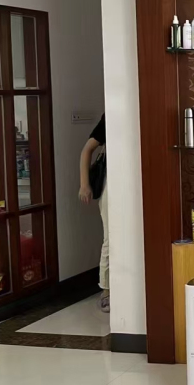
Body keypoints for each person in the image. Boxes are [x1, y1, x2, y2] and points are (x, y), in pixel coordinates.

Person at [79, 114, 108, 312]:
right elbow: (87, 150)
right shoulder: (109, 118)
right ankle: (107, 289)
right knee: (111, 237)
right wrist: (85, 185)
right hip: (110, 182)